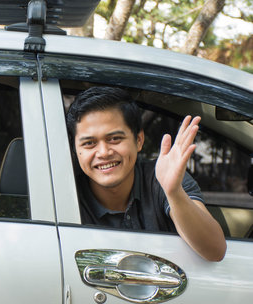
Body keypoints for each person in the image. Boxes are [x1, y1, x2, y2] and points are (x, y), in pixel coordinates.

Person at [66, 86, 226, 261]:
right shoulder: (65, 195)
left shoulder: (161, 177)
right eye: (89, 143)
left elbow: (215, 250)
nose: (104, 152)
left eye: (115, 139)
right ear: (75, 150)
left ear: (139, 140)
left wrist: (174, 192)